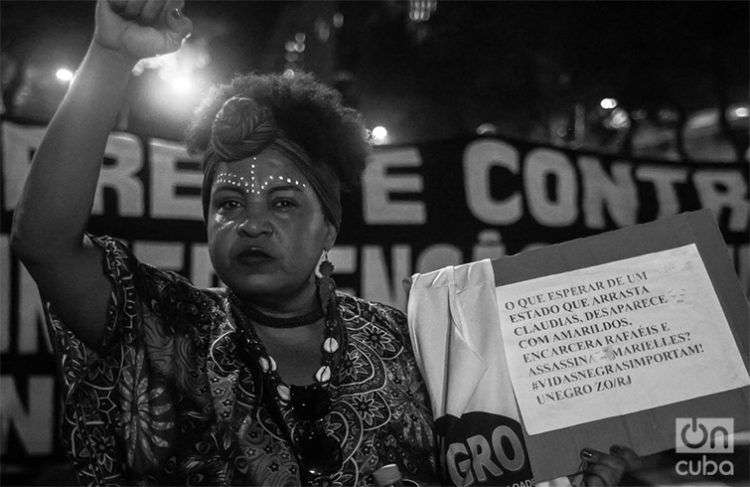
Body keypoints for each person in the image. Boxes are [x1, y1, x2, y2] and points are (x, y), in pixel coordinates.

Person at [10, 1, 640, 485]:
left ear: (330, 229)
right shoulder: (166, 328)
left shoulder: (403, 344)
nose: (250, 223)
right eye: (227, 204)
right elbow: (44, 244)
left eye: (283, 203)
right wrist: (109, 55)